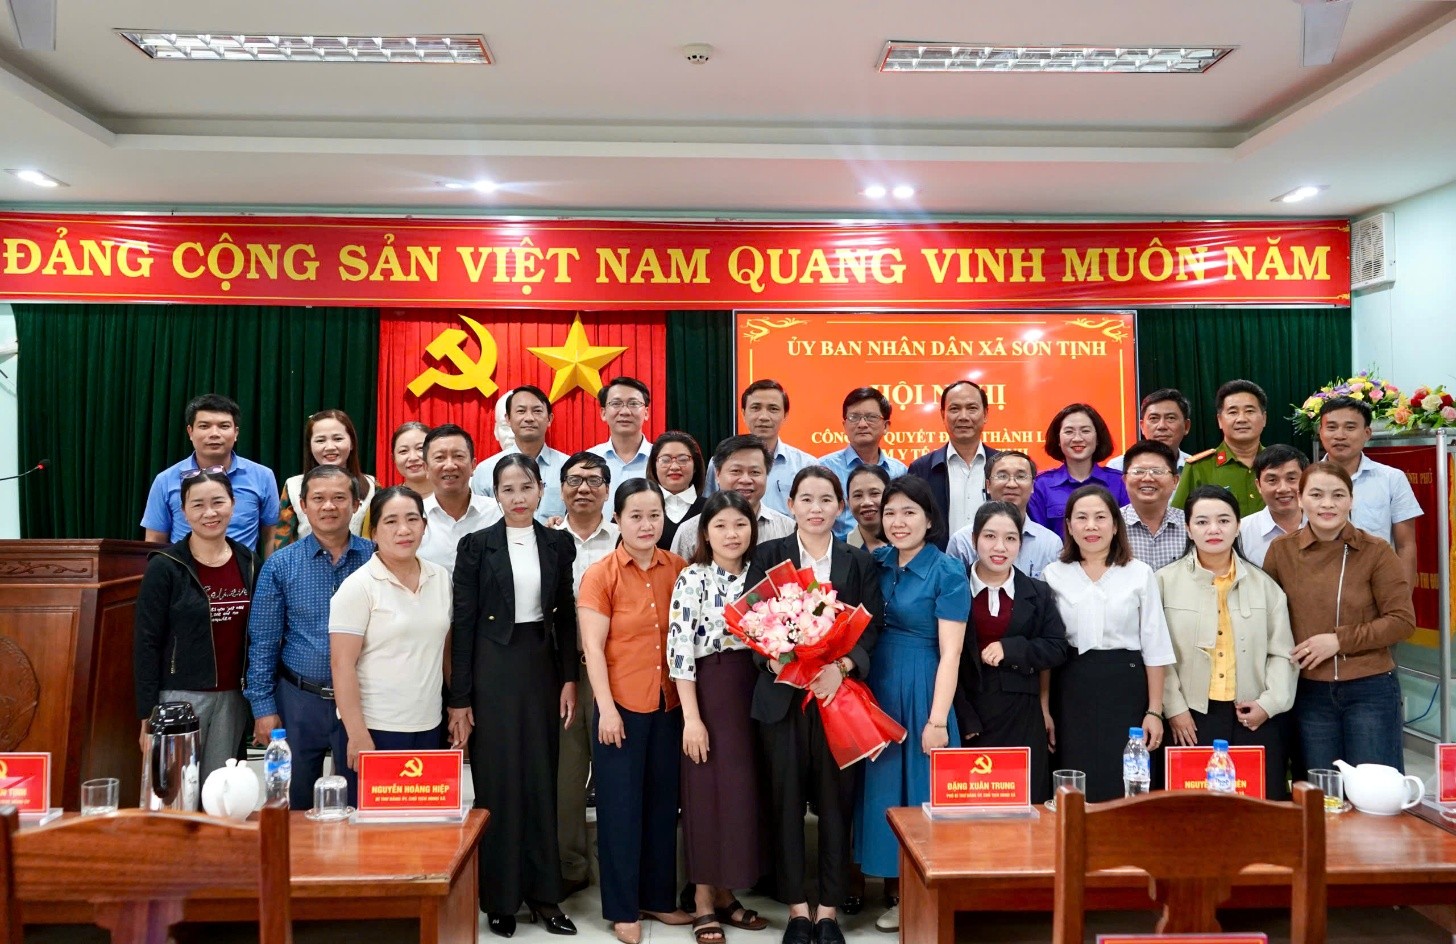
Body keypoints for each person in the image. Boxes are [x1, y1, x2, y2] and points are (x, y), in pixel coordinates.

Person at [748, 467, 882, 944]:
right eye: (806, 499)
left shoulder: (858, 562)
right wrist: (778, 659)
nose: (816, 508)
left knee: (835, 803)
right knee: (784, 803)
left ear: (840, 507)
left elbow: (873, 628)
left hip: (835, 698)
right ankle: (797, 910)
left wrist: (841, 667)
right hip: (784, 699)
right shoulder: (769, 555)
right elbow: (751, 622)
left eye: (826, 499)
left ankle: (828, 910)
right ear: (792, 505)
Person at [449, 454, 580, 937]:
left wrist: (569, 678)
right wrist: (460, 698)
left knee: (542, 780)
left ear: (541, 489)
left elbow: (565, 613)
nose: (518, 498)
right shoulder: (475, 545)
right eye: (508, 489)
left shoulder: (558, 543)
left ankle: (546, 896)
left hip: (541, 667)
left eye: (526, 487)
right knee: (498, 782)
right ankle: (501, 898)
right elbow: (463, 623)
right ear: (496, 495)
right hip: (492, 668)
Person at [577, 479, 693, 944]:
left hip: (669, 706)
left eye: (654, 516)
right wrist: (605, 710)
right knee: (620, 811)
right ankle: (623, 908)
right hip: (620, 709)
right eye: (636, 516)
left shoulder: (678, 568)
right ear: (617, 519)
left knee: (664, 807)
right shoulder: (601, 574)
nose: (647, 525)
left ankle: (658, 898)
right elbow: (592, 648)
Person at [856, 475, 967, 933]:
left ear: (929, 518)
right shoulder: (876, 562)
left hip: (922, 686)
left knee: (920, 790)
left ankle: (920, 894)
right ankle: (887, 886)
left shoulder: (947, 571)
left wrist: (937, 720)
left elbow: (951, 653)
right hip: (875, 685)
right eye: (890, 513)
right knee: (881, 788)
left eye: (909, 512)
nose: (898, 522)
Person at [1263, 461, 1416, 774]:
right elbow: (1267, 619)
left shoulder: (1376, 551)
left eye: (1338, 495)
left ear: (1351, 500)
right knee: (1322, 792)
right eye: (1316, 494)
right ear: (1300, 499)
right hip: (1308, 690)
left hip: (1370, 688)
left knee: (1373, 788)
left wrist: (1338, 641)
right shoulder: (1282, 551)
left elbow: (1402, 621)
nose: (1327, 504)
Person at [244, 465, 372, 809]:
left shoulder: (376, 558)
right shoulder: (280, 565)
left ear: (356, 504)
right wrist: (263, 707)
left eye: (339, 498)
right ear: (303, 505)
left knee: (358, 801)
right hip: (299, 700)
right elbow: (263, 642)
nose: (329, 506)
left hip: (363, 701)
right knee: (295, 803)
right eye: (318, 498)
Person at [668, 491, 765, 944]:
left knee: (742, 794)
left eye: (740, 524)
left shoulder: (764, 576)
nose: (732, 534)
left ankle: (726, 893)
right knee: (706, 794)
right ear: (705, 532)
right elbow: (680, 652)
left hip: (757, 691)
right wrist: (692, 719)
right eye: (721, 525)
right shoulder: (693, 577)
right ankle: (703, 899)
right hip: (711, 691)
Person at [1160, 485, 1297, 798]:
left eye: (1223, 520)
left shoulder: (1265, 585)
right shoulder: (1163, 582)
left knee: (1255, 808)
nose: (1213, 529)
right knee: (1190, 810)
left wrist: (1269, 704)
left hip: (1252, 714)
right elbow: (1157, 655)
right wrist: (1174, 708)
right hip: (1189, 718)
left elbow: (1282, 653)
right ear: (1188, 529)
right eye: (1202, 521)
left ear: (1237, 527)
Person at [1043, 485, 1175, 802]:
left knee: (1125, 780)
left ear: (1115, 525)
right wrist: (1044, 709)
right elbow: (1047, 648)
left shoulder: (1139, 573)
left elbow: (1155, 645)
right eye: (1082, 518)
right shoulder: (1053, 574)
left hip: (1126, 687)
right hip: (1071, 687)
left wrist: (1154, 711)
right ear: (1069, 526)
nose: (1091, 526)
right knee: (1075, 781)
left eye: (1100, 517)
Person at [329, 486, 450, 806]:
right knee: (372, 828)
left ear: (424, 525)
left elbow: (445, 650)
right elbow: (341, 665)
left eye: (412, 519)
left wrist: (457, 707)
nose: (404, 530)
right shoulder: (358, 587)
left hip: (429, 725)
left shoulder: (441, 578)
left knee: (422, 823)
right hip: (374, 728)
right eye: (391, 521)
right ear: (373, 531)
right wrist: (357, 734)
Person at [134, 469, 258, 782]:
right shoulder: (165, 566)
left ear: (233, 504)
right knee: (175, 790)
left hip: (233, 696)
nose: (209, 513)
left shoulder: (249, 562)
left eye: (218, 502)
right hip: (179, 696)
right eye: (198, 505)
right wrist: (147, 712)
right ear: (184, 511)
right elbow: (146, 642)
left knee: (221, 790)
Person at [956, 501, 1071, 805]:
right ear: (974, 539)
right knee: (970, 810)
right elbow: (939, 655)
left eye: (1010, 538)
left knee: (1024, 806)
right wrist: (962, 716)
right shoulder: (953, 586)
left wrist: (1012, 648)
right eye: (990, 536)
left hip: (1022, 715)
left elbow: (1057, 647)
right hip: (967, 716)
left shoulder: (1037, 591)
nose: (1000, 547)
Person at [554, 450, 620, 899]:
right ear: (560, 489)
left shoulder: (624, 538)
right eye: (575, 480)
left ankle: (618, 866)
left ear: (607, 489)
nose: (584, 488)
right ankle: (571, 866)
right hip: (563, 674)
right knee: (567, 776)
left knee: (616, 772)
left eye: (594, 480)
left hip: (615, 672)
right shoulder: (545, 539)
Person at [141, 393, 280, 553]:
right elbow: (155, 540)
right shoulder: (165, 480)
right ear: (190, 432)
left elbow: (271, 536)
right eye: (204, 426)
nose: (214, 433)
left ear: (236, 433)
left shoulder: (263, 476)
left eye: (224, 426)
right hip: (182, 567)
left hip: (243, 567)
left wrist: (271, 570)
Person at [1318, 395, 1423, 587]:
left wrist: (1403, 598)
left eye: (1350, 427)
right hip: (1321, 586)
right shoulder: (1307, 480)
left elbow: (1405, 546)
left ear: (1367, 433)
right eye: (1331, 427)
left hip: (1379, 586)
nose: (1340, 435)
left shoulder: (1392, 479)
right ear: (1321, 432)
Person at [906, 380, 1001, 547]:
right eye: (954, 409)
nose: (963, 416)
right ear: (943, 415)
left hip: (997, 560)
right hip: (939, 562)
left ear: (985, 414)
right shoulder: (921, 469)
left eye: (972, 408)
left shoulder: (1004, 466)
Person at [672, 436, 796, 559]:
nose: (745, 480)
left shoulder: (788, 529)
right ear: (717, 475)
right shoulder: (689, 531)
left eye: (755, 472)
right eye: (736, 471)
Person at [947, 450, 1060, 580]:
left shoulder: (1050, 543)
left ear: (1033, 486)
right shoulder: (962, 542)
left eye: (1021, 476)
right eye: (1002, 476)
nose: (1011, 484)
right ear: (988, 485)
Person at [272, 409, 377, 549]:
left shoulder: (372, 486)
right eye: (320, 440)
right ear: (310, 446)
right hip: (305, 562)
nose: (330, 447)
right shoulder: (293, 486)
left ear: (352, 443)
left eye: (338, 439)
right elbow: (283, 542)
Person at [709, 380, 815, 515]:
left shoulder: (806, 465)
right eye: (756, 408)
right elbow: (710, 508)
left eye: (773, 409)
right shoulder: (719, 462)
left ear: (785, 415)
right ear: (743, 413)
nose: (764, 417)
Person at [1028, 403, 1129, 539]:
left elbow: (1127, 533)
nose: (1077, 439)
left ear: (1098, 438)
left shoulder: (1120, 482)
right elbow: (1039, 539)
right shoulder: (1041, 485)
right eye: (1069, 432)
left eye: (1085, 431)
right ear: (1058, 439)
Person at [470, 385, 570, 524]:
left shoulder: (568, 467)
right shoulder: (486, 470)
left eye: (537, 411)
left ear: (549, 419)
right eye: (521, 411)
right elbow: (478, 522)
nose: (529, 418)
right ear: (508, 419)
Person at [819, 387, 909, 539]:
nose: (862, 424)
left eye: (871, 417)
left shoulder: (900, 472)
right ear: (844, 425)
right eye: (854, 417)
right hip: (840, 550)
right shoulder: (825, 469)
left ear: (886, 426)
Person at [1172, 379, 1268, 516]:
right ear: (1219, 420)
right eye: (1233, 412)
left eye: (1249, 411)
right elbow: (1178, 518)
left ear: (1264, 418)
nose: (1241, 419)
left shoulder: (1278, 464)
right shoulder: (1199, 468)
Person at [416, 424, 501, 575]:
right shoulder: (415, 517)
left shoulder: (498, 513)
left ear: (473, 465)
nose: (449, 465)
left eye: (458, 456)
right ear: (426, 468)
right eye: (440, 458)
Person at [1119, 440, 1187, 572]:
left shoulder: (1190, 524)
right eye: (1138, 471)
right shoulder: (1111, 525)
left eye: (1157, 471)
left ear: (1175, 481)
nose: (1147, 478)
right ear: (1125, 480)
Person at [590, 376, 655, 508]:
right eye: (616, 404)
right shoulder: (588, 461)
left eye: (634, 404)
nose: (625, 412)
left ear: (646, 412)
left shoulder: (661, 460)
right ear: (603, 413)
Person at [1242, 445, 1309, 569]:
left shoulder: (1324, 526)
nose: (1283, 488)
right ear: (1258, 485)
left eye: (1291, 478)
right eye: (1272, 480)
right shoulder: (1242, 533)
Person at [1107, 389, 1194, 472]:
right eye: (1153, 418)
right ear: (1142, 426)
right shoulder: (1117, 467)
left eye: (1171, 418)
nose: (1161, 426)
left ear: (1186, 426)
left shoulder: (1195, 468)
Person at [648, 431, 707, 550]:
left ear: (695, 466)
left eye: (683, 459)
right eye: (665, 460)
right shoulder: (638, 507)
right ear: (654, 466)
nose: (674, 467)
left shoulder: (711, 508)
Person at [844, 464, 891, 551]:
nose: (866, 502)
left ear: (890, 497)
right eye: (858, 495)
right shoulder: (835, 548)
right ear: (848, 502)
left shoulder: (909, 546)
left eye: (874, 493)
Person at [390, 420, 433, 498]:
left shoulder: (453, 495)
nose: (413, 458)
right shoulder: (387, 501)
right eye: (403, 451)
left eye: (420, 448)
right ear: (393, 458)